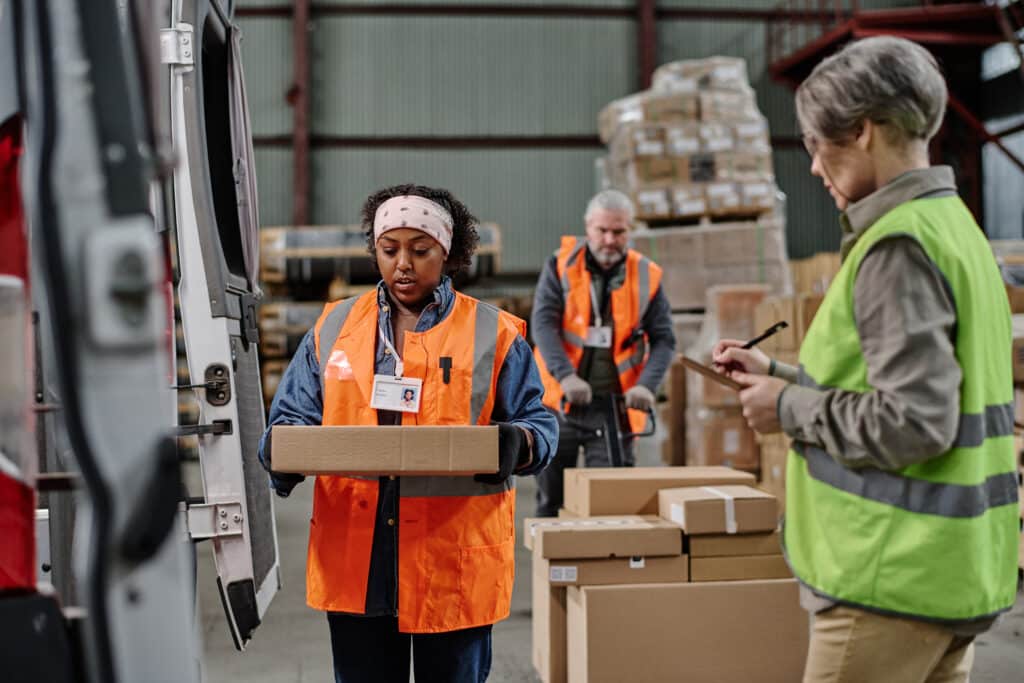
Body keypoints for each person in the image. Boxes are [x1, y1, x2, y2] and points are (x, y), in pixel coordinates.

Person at [712, 37, 1019, 683]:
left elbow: (914, 421)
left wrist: (788, 407)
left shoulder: (896, 245)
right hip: (952, 565)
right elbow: (921, 392)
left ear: (861, 131)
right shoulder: (953, 227)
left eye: (817, 146)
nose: (816, 169)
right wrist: (780, 377)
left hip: (890, 574)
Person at [258, 184, 558, 683]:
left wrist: (517, 442)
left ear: (449, 253)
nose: (403, 264)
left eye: (421, 251)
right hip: (360, 560)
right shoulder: (334, 328)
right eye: (389, 249)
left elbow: (539, 420)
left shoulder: (493, 332)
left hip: (451, 559)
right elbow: (291, 416)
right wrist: (281, 451)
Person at [531, 189, 676, 516]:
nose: (610, 239)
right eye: (602, 230)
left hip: (613, 406)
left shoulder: (645, 275)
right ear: (588, 227)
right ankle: (552, 565)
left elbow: (665, 339)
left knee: (609, 501)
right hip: (560, 401)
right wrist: (566, 376)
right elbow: (542, 325)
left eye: (619, 231)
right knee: (552, 498)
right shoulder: (560, 265)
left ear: (630, 230)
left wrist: (646, 386)